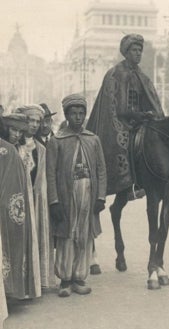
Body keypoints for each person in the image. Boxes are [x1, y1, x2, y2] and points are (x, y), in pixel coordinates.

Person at [86, 33, 164, 197]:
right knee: (127, 142)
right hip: (121, 122)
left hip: (140, 120)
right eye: (134, 50)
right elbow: (120, 109)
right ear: (126, 52)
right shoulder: (116, 73)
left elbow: (150, 100)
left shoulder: (142, 75)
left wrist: (153, 115)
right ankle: (129, 184)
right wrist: (142, 115)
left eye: (139, 50)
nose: (138, 53)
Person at [47, 94, 107, 297]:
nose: (78, 117)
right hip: (66, 195)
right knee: (66, 235)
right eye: (74, 113)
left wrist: (101, 197)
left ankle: (79, 276)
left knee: (84, 234)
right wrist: (54, 201)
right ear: (67, 115)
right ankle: (65, 279)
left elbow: (101, 170)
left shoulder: (93, 139)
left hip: (88, 193)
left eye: (82, 113)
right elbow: (50, 174)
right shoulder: (57, 141)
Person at [0, 115, 41, 300]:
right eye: (13, 130)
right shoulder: (6, 151)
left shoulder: (22, 150)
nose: (16, 135)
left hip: (20, 199)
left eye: (19, 131)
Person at [14, 105, 55, 289]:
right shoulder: (13, 146)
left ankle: (35, 283)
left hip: (35, 200)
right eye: (30, 120)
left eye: (37, 121)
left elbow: (43, 179)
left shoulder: (41, 149)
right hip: (16, 199)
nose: (34, 125)